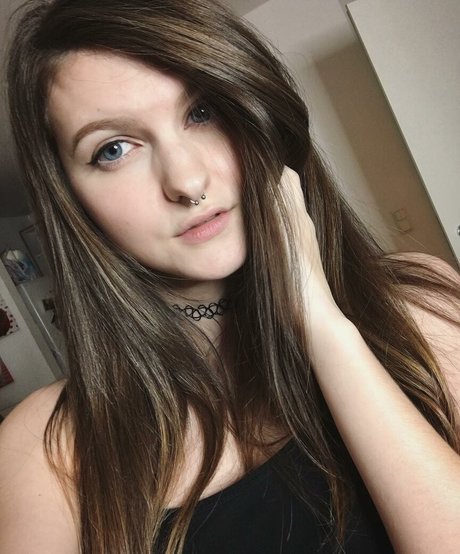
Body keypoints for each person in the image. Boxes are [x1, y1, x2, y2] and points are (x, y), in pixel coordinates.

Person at [0, 0, 459, 552]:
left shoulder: (419, 304)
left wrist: (320, 322)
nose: (187, 181)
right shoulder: (45, 446)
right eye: (114, 149)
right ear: (71, 199)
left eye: (202, 112)